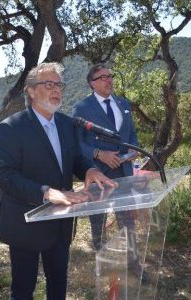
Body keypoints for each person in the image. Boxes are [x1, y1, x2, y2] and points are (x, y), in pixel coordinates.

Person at [0, 62, 117, 300]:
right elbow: (6, 176)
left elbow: (76, 158)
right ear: (31, 91)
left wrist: (89, 169)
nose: (56, 90)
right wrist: (47, 192)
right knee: (22, 289)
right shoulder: (11, 127)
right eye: (48, 84)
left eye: (59, 85)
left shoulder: (65, 123)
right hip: (25, 221)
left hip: (61, 223)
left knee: (58, 284)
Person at [71, 63, 139, 250]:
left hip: (124, 171)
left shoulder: (123, 104)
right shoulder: (82, 108)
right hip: (98, 173)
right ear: (92, 83)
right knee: (98, 220)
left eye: (110, 76)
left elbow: (131, 132)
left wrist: (134, 150)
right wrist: (99, 154)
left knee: (127, 220)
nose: (109, 80)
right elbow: (76, 143)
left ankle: (132, 261)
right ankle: (100, 255)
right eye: (103, 77)